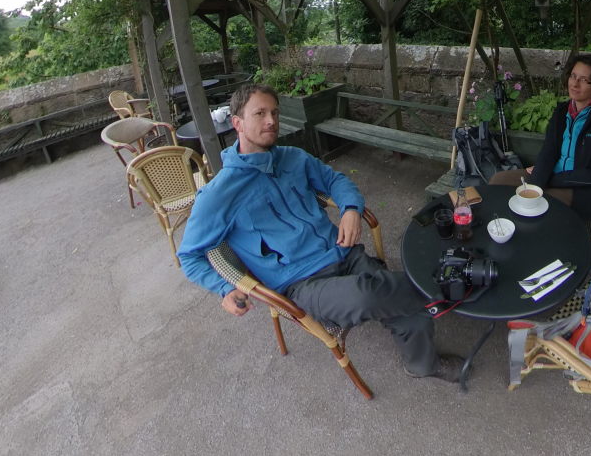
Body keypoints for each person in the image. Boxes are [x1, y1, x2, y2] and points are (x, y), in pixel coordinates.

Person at [177, 84, 462, 383]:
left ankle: (422, 364)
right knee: (371, 292)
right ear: (237, 123)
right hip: (302, 283)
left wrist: (350, 209)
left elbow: (336, 181)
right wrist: (224, 289)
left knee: (389, 296)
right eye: (259, 114)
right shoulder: (218, 194)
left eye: (274, 112)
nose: (271, 121)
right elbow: (189, 256)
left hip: (342, 251)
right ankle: (443, 289)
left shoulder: (293, 158)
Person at [490, 53, 591, 223]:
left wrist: (549, 180)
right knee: (498, 182)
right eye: (573, 76)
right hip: (552, 175)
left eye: (583, 80)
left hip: (582, 188)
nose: (574, 83)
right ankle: (501, 227)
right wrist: (537, 182)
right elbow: (549, 151)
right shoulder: (562, 111)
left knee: (539, 205)